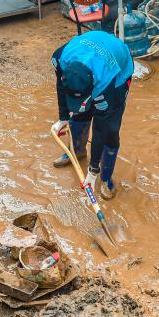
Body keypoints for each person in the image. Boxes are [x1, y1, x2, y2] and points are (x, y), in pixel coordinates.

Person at [51, 31, 133, 200]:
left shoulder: (107, 82)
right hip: (89, 49)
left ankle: (105, 178)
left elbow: (101, 130)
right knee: (80, 112)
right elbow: (60, 85)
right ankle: (77, 152)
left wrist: (93, 170)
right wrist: (63, 117)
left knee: (110, 129)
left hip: (117, 70)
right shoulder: (61, 58)